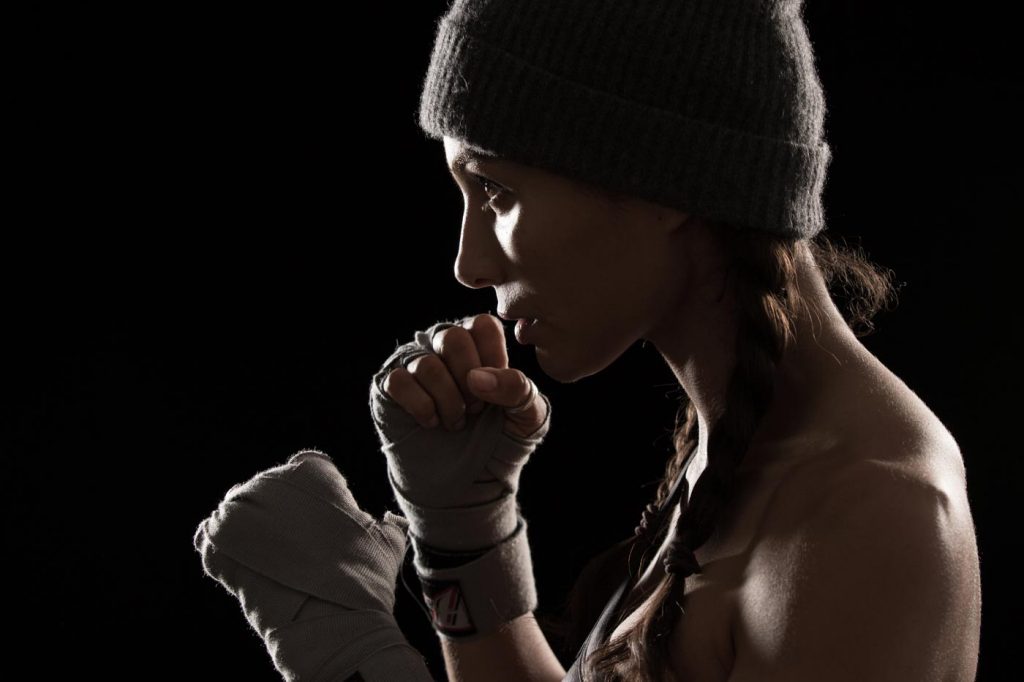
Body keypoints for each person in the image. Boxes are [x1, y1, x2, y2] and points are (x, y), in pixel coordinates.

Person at [392, 0, 982, 680]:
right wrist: (463, 537)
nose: (469, 264)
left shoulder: (873, 513)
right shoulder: (735, 449)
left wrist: (348, 658)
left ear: (657, 180)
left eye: (495, 190)